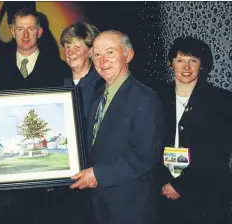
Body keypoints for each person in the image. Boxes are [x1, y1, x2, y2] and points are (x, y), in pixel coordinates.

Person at [70, 30, 164, 224]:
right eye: (96, 54)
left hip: (130, 207)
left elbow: (145, 157)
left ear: (128, 55)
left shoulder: (145, 99)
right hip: (99, 203)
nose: (102, 60)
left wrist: (97, 174)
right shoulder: (98, 96)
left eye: (110, 52)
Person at [155, 36, 232, 224]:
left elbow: (218, 154)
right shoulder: (155, 97)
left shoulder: (222, 100)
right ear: (170, 63)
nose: (186, 67)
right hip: (162, 192)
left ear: (202, 65)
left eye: (193, 61)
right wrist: (161, 183)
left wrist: (179, 185)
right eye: (180, 60)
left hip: (205, 194)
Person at [0, 8, 71, 91]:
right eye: (20, 29)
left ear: (39, 32)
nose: (25, 35)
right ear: (13, 32)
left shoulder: (59, 68)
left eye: (31, 29)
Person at [60, 22, 101, 118]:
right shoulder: (58, 81)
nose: (70, 52)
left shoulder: (101, 85)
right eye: (67, 47)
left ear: (90, 51)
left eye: (76, 47)